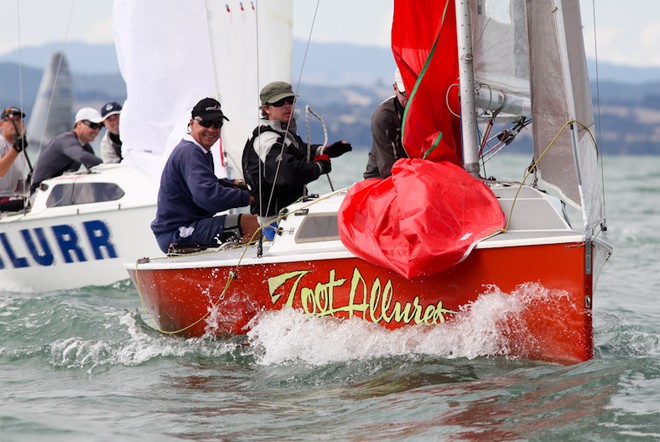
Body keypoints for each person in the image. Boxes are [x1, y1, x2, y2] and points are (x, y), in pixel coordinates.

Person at [151, 97, 259, 253]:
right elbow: (208, 197)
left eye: (217, 124)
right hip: (177, 232)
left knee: (251, 223)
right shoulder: (190, 152)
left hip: (190, 225)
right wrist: (249, 197)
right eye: (206, 123)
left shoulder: (197, 149)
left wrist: (239, 183)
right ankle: (241, 271)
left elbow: (209, 183)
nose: (212, 129)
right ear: (192, 123)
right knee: (253, 224)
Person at [242, 81, 352, 220]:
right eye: (280, 103)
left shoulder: (283, 133)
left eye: (290, 100)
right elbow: (287, 171)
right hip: (275, 220)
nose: (287, 106)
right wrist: (319, 167)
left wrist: (323, 151)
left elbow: (298, 152)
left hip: (291, 213)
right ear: (266, 109)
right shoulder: (267, 139)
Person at [29, 107, 104, 193]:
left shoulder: (85, 147)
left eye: (100, 127)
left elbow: (95, 167)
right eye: (93, 125)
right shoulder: (66, 140)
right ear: (79, 124)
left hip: (56, 192)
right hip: (40, 193)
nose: (97, 131)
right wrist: (105, 165)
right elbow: (82, 156)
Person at [363, 69, 409, 179]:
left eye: (413, 92)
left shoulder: (426, 109)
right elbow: (389, 168)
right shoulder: (384, 117)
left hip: (414, 171)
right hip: (382, 177)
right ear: (395, 88)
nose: (409, 97)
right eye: (405, 93)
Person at [0, 106, 29, 211]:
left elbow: (18, 188)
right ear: (1, 125)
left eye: (18, 120)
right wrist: (15, 150)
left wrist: (31, 181)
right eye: (11, 120)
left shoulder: (20, 153)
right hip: (2, 200)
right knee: (28, 204)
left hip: (8, 200)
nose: (16, 123)